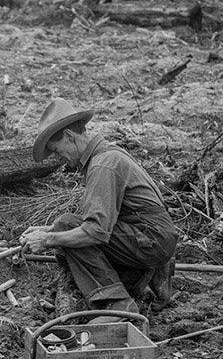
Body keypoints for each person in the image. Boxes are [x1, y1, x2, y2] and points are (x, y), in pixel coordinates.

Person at [19, 98, 178, 316]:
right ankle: (146, 276)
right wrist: (46, 231)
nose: (60, 159)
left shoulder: (103, 164)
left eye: (57, 151)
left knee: (66, 228)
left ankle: (118, 305)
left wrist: (48, 240)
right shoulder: (107, 153)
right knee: (63, 226)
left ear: (69, 136)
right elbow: (119, 215)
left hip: (151, 241)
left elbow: (95, 232)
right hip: (152, 236)